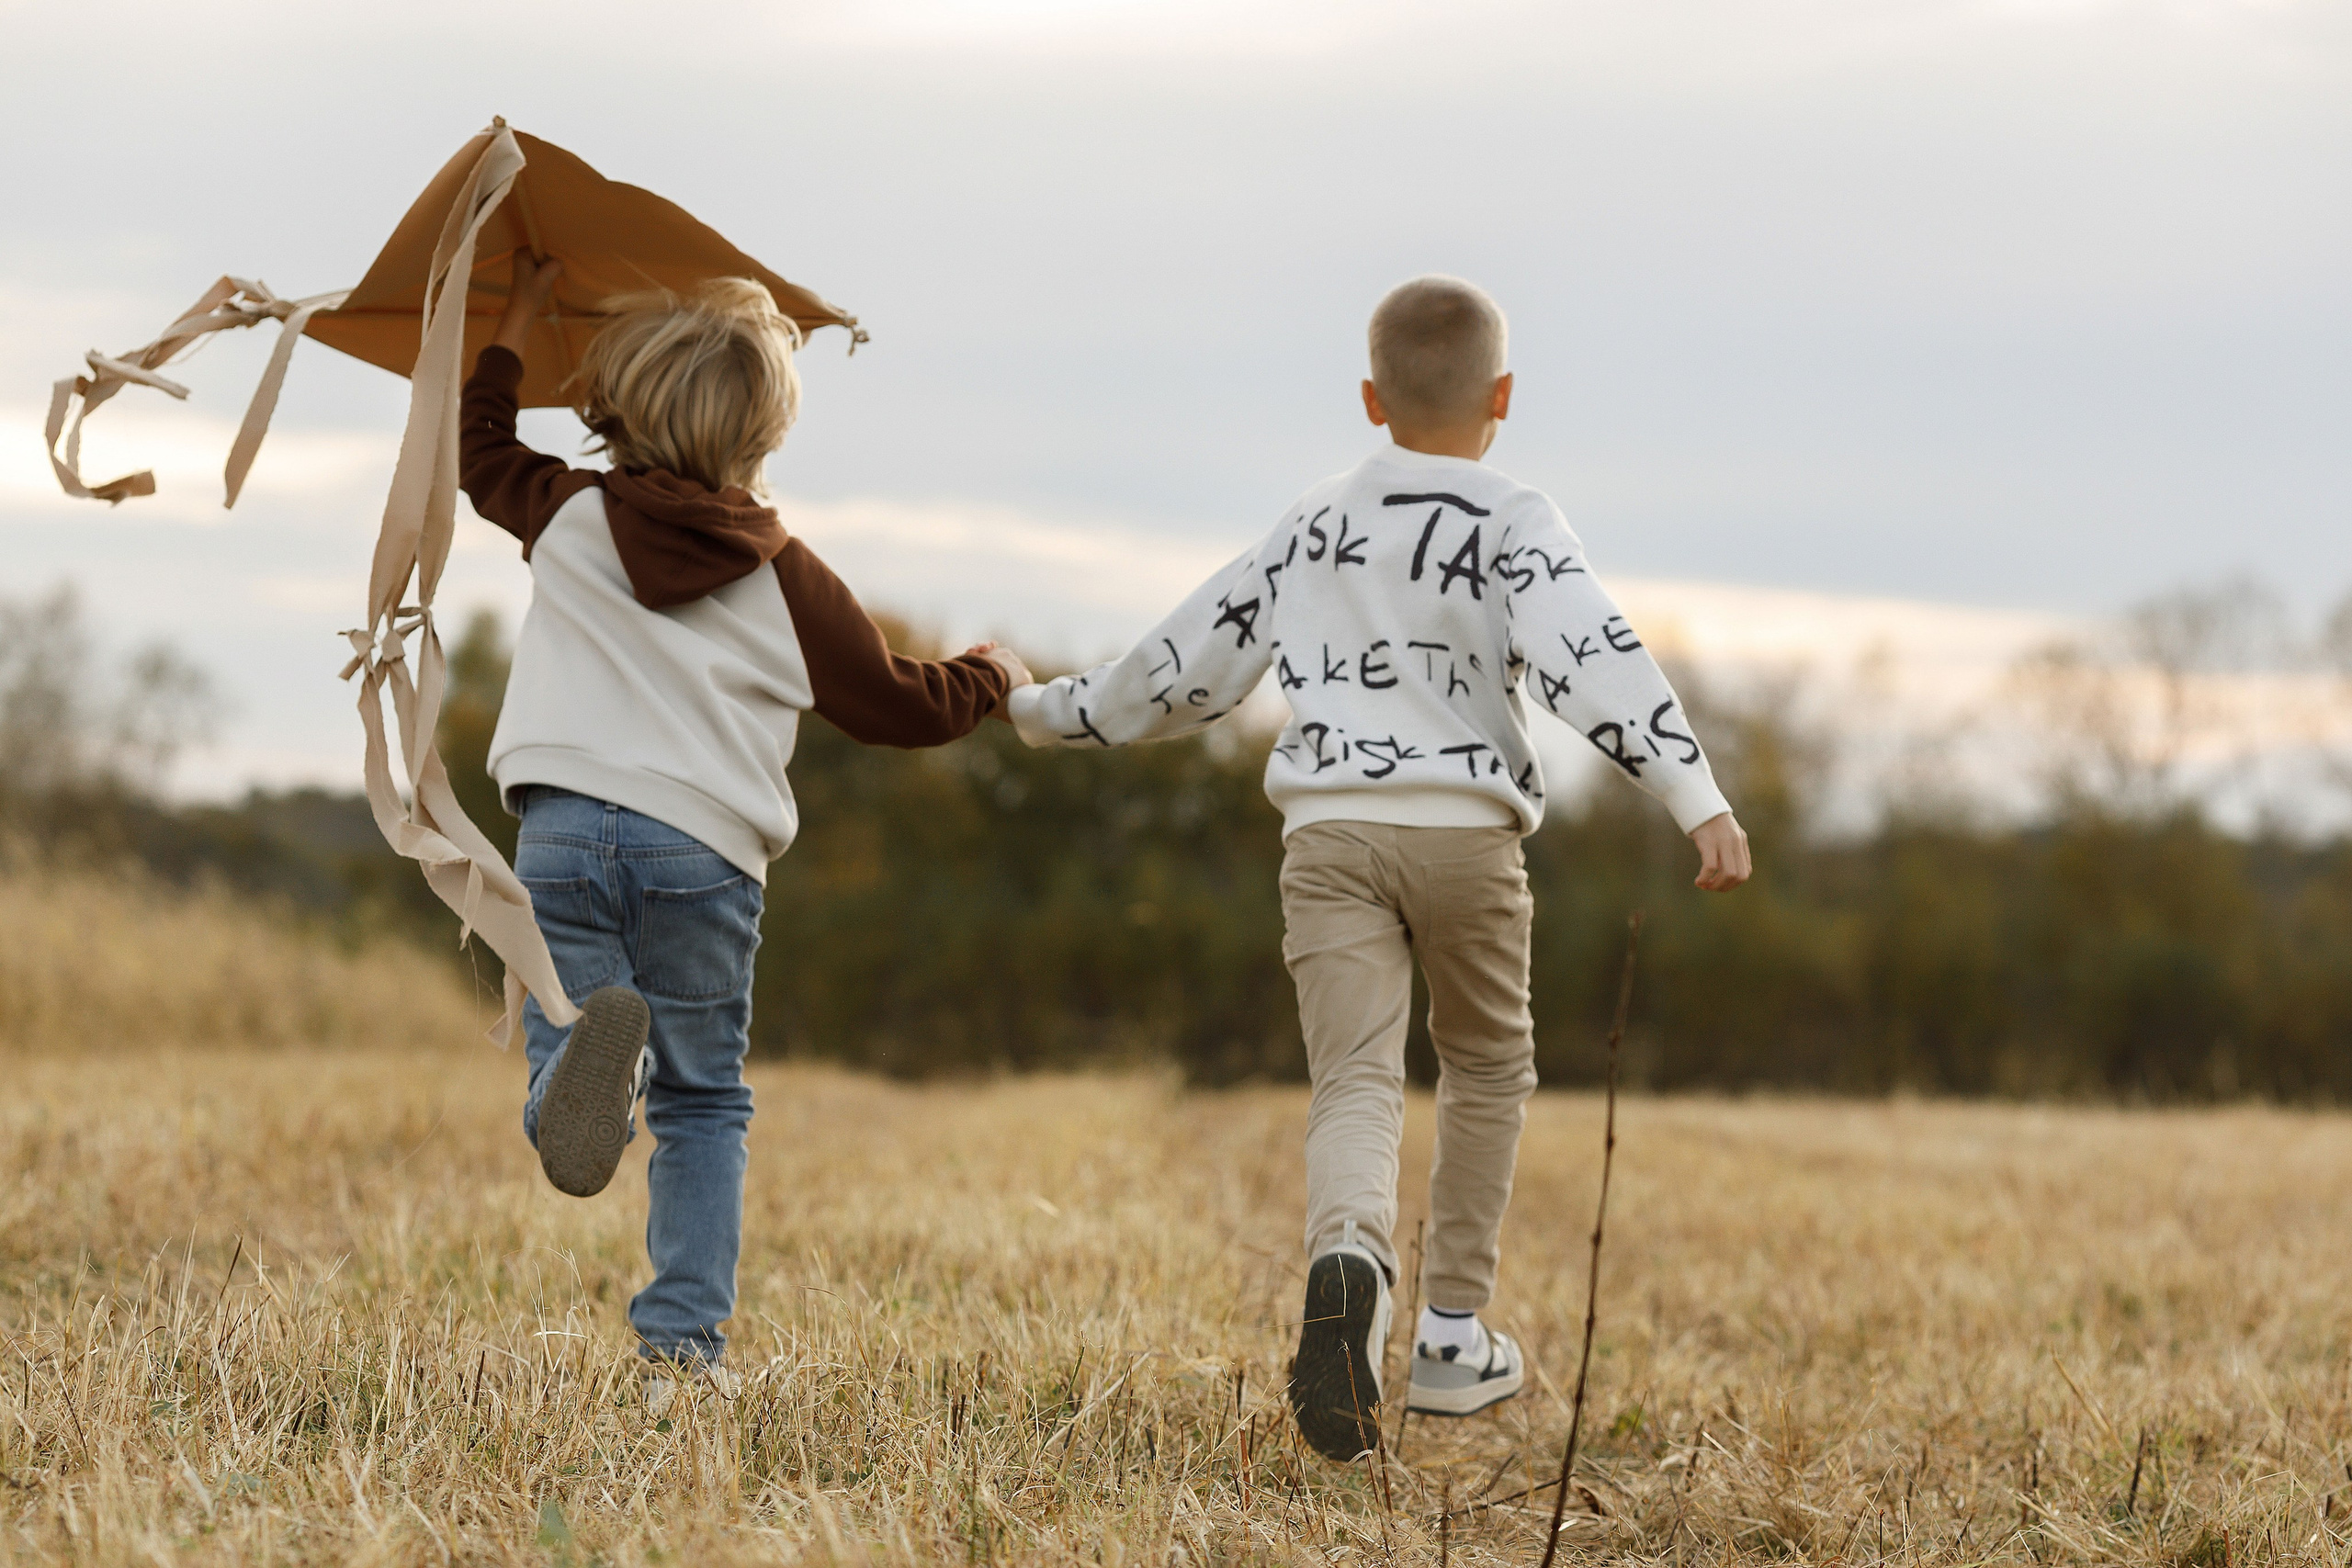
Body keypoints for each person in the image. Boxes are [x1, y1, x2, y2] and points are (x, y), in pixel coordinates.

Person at [1005, 275, 1751, 1460]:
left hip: (1332, 837)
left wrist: (1043, 709)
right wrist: (1695, 797)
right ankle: (1450, 1335)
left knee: (1354, 1077)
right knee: (1486, 1067)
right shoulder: (1516, 521)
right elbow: (1596, 657)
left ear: (1370, 399)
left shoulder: (1313, 525)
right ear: (1502, 397)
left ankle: (1349, 1256)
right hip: (1467, 841)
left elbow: (1186, 663)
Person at [460, 254, 1030, 1408]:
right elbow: (897, 705)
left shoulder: (565, 514)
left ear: (610, 407)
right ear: (765, 436)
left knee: (567, 1018)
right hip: (702, 853)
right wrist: (990, 674)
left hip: (561, 829)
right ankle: (680, 1357)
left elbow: (478, 450)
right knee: (703, 1101)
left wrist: (514, 317)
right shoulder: (787, 577)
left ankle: (575, 1076)